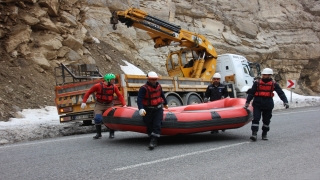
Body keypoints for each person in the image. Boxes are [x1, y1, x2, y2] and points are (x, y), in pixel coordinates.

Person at [244, 68, 289, 141]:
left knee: (266, 120)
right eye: (263, 74)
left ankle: (264, 133)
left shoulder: (274, 84)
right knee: (256, 119)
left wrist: (285, 101)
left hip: (268, 103)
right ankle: (254, 134)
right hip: (257, 102)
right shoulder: (257, 83)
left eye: (265, 75)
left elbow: (280, 93)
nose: (263, 76)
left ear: (269, 75)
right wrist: (247, 102)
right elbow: (251, 93)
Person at [81, 73, 126, 139]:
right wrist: (84, 102)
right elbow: (88, 92)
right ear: (108, 80)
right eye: (112, 80)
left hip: (109, 104)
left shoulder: (114, 87)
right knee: (97, 118)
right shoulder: (97, 86)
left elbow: (119, 95)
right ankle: (98, 134)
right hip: (99, 104)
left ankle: (111, 133)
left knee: (111, 119)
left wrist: (124, 104)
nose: (114, 81)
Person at [137, 71, 168, 150]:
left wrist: (165, 103)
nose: (154, 81)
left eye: (155, 79)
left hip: (158, 109)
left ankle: (153, 141)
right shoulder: (143, 88)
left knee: (157, 124)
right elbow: (139, 99)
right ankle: (152, 137)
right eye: (152, 79)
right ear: (148, 79)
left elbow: (162, 95)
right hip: (148, 109)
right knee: (149, 125)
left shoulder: (159, 86)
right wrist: (141, 108)